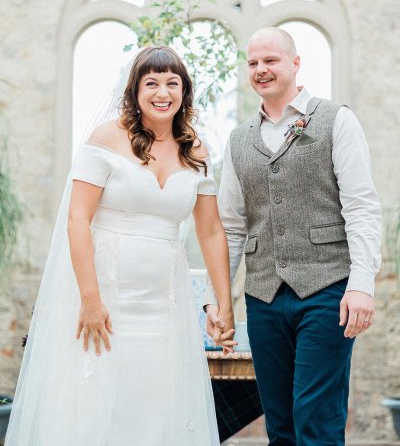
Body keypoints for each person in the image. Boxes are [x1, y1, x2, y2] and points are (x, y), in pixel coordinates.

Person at [6, 45, 236, 446]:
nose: (162, 92)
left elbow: (212, 230)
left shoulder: (195, 149)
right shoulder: (107, 139)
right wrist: (90, 299)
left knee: (157, 404)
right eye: (151, 83)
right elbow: (78, 218)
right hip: (105, 302)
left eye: (172, 82)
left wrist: (224, 303)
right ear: (134, 90)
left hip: (166, 305)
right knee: (98, 404)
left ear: (184, 91)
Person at [205, 27, 381, 446]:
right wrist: (219, 299)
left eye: (271, 60)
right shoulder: (238, 140)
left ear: (295, 63)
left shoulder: (337, 119)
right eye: (253, 63)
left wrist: (362, 285)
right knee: (280, 424)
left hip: (327, 292)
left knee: (315, 418)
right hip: (263, 297)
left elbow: (360, 206)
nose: (261, 70)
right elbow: (230, 226)